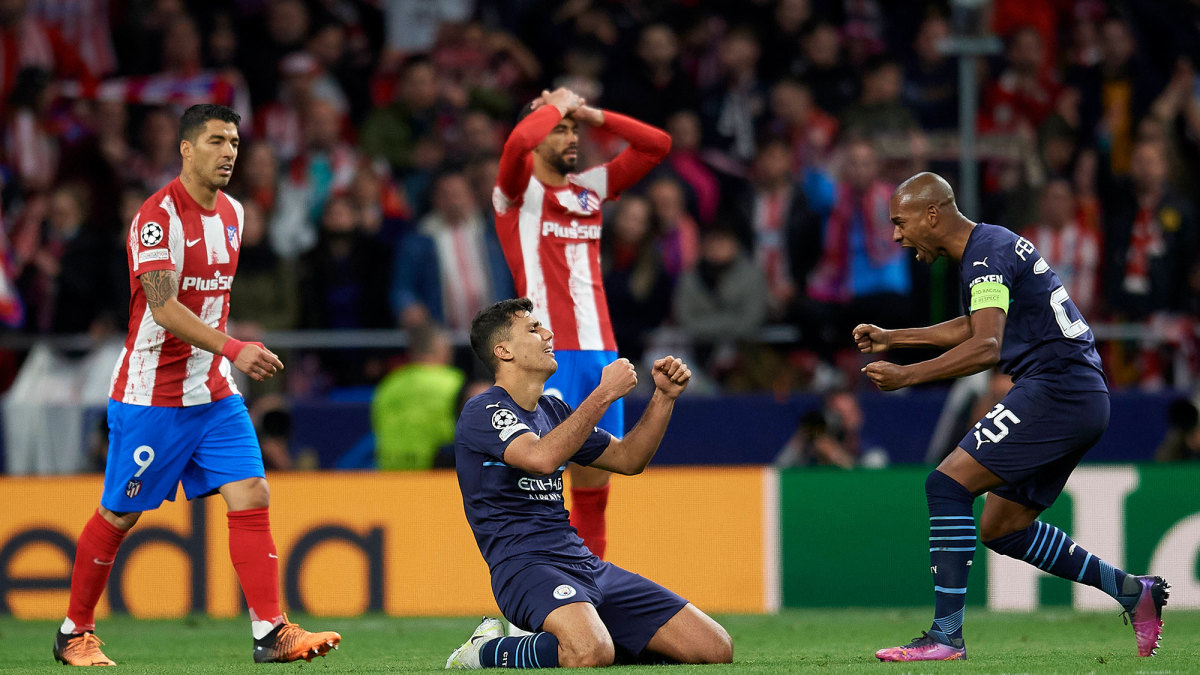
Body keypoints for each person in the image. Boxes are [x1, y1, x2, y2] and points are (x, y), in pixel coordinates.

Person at [52, 104, 340, 667]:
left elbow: (213, 300)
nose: (229, 152)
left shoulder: (234, 213)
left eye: (234, 142)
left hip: (212, 391)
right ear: (185, 148)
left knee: (252, 492)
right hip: (152, 395)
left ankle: (270, 632)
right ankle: (73, 632)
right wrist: (235, 347)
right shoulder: (156, 218)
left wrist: (225, 358)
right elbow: (162, 309)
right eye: (215, 140)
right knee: (119, 515)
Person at [856, 172, 1168, 662]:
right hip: (1077, 393)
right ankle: (1132, 591)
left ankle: (945, 637)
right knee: (1002, 528)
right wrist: (895, 338)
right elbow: (974, 326)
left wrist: (907, 375)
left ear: (932, 214)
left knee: (946, 485)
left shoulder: (984, 255)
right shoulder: (989, 248)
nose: (896, 235)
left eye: (900, 222)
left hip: (1057, 389)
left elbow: (986, 346)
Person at [446, 298, 732, 669]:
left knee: (713, 648)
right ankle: (483, 651)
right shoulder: (483, 410)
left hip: (582, 562)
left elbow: (628, 459)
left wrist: (663, 397)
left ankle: (595, 639)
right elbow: (540, 458)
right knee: (588, 651)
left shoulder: (553, 411)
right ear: (504, 351)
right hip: (523, 567)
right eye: (533, 329)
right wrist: (604, 392)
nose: (548, 334)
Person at [492, 86, 671, 559]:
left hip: (599, 354)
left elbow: (657, 146)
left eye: (574, 130)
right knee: (537, 485)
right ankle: (534, 586)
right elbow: (516, 144)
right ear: (536, 134)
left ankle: (590, 588)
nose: (571, 137)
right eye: (559, 129)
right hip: (543, 355)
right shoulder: (515, 193)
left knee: (595, 486)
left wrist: (590, 112)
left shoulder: (590, 190)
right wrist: (554, 103)